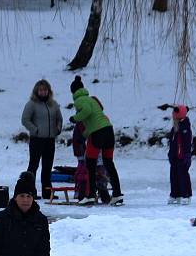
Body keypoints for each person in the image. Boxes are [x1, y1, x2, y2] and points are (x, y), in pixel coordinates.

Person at [68, 76, 123, 205]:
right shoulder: (92, 99)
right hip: (109, 130)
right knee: (109, 163)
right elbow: (97, 114)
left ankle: (91, 195)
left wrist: (75, 118)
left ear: (73, 92)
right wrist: (86, 133)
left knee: (90, 164)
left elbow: (87, 111)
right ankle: (117, 194)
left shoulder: (79, 101)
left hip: (97, 134)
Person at [21, 79, 63, 199]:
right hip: (37, 139)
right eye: (40, 90)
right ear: (36, 91)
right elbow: (25, 120)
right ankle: (30, 192)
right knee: (33, 166)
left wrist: (58, 128)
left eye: (45, 90)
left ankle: (47, 192)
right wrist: (35, 130)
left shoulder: (53, 104)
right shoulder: (31, 104)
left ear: (48, 91)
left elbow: (59, 118)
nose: (43, 92)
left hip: (50, 139)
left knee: (47, 166)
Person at [167, 105, 193, 205]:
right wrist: (170, 154)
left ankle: (186, 194)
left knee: (183, 175)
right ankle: (175, 194)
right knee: (173, 175)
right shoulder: (175, 128)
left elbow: (186, 143)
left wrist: (187, 155)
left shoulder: (185, 127)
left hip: (182, 156)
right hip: (174, 157)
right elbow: (172, 142)